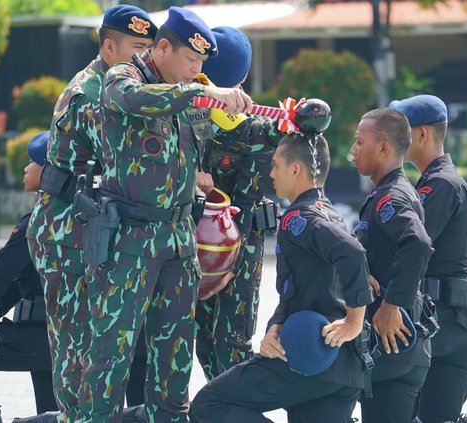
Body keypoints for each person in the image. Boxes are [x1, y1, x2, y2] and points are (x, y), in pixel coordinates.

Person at [75, 7, 254, 423]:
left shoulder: (186, 89)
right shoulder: (124, 77)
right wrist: (199, 94)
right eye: (190, 60)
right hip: (130, 242)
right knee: (109, 360)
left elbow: (230, 127)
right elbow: (129, 99)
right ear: (160, 48)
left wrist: (276, 118)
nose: (196, 70)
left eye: (201, 65)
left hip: (178, 240)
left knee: (174, 362)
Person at [26, 5, 156, 421]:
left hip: (91, 229)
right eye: (136, 48)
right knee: (75, 346)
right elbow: (123, 157)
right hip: (66, 233)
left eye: (149, 50)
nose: (144, 58)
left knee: (100, 344)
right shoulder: (91, 92)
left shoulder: (116, 86)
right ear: (108, 45)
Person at [190, 132, 373, 422]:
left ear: (296, 169)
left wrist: (354, 321)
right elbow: (301, 286)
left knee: (208, 404)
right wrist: (276, 324)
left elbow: (353, 252)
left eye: (276, 165)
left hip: (308, 356)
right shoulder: (331, 213)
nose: (271, 173)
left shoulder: (299, 217)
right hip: (342, 368)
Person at [195, 26, 279, 380]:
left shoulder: (181, 115)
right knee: (232, 344)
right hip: (242, 247)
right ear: (243, 76)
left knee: (204, 339)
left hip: (195, 245)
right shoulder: (260, 126)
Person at [389, 95, 467, 423]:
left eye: (401, 131)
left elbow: (413, 247)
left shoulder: (438, 185)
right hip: (453, 322)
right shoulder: (441, 180)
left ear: (422, 134)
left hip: (445, 324)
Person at [350, 108, 433, 423]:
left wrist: (391, 304)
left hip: (394, 344)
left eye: (360, 143)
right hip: (398, 347)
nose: (352, 152)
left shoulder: (390, 198)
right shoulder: (387, 192)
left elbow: (418, 243)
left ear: (384, 148)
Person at [0, 132, 57, 415]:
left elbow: (2, 274)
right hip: (76, 336)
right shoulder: (85, 215)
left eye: (34, 162)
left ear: (49, 171)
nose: (26, 168)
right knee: (53, 410)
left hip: (40, 336)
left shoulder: (38, 220)